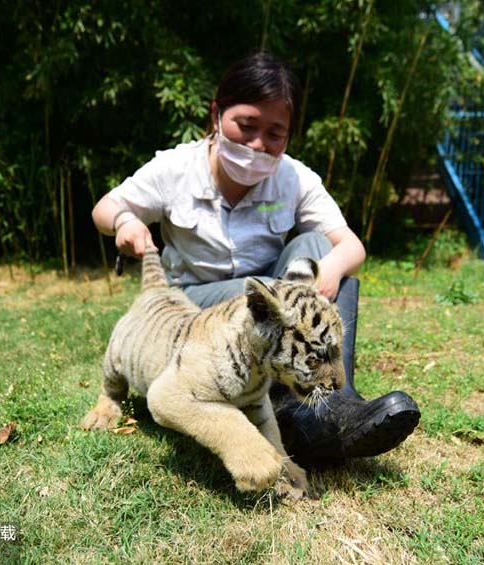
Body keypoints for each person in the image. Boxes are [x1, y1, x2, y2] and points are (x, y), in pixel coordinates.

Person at [91, 52, 420, 466]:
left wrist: (330, 272)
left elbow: (351, 246)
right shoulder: (175, 168)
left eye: (275, 133)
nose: (258, 144)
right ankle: (300, 417)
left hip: (270, 305)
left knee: (320, 247)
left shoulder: (295, 177)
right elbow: (104, 207)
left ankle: (335, 404)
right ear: (217, 115)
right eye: (246, 126)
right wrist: (125, 221)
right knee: (295, 286)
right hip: (198, 306)